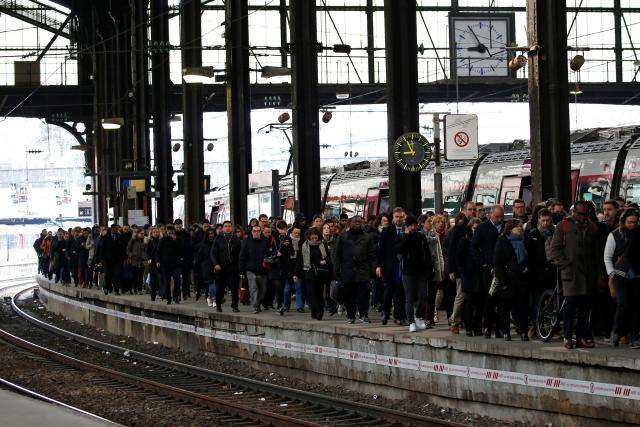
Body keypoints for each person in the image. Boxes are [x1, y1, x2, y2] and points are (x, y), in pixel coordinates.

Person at [547, 201, 599, 349]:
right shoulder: (563, 225)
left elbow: (596, 251)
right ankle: (567, 336)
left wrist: (597, 272)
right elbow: (554, 249)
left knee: (585, 307)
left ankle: (581, 336)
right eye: (580, 213)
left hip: (587, 273)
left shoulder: (592, 227)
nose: (583, 217)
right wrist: (564, 264)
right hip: (570, 273)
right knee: (570, 305)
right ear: (573, 212)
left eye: (585, 213)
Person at [604, 208, 640, 347]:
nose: (632, 225)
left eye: (635, 222)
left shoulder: (638, 234)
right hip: (620, 274)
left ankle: (633, 337)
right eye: (630, 222)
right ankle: (616, 332)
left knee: (636, 306)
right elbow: (607, 257)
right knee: (623, 305)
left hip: (636, 274)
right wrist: (611, 274)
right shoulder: (615, 235)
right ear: (624, 221)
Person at [395, 215, 434, 332]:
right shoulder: (402, 237)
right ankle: (411, 321)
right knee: (409, 297)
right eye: (410, 226)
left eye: (414, 225)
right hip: (407, 271)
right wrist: (407, 236)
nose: (413, 227)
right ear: (406, 226)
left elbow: (427, 253)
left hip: (421, 271)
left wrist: (429, 268)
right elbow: (398, 250)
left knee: (423, 296)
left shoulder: (421, 236)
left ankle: (418, 316)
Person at [335, 216, 376, 324]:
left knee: (364, 294)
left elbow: (371, 255)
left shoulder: (367, 237)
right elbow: (337, 255)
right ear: (349, 223)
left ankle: (363, 314)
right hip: (347, 270)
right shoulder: (343, 237)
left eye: (359, 222)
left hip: (363, 270)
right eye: (355, 222)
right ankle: (351, 315)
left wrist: (372, 270)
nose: (357, 224)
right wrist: (336, 270)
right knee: (350, 295)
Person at [471, 205, 504, 338]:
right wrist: (483, 263)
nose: (500, 219)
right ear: (491, 215)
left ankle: (500, 328)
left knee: (502, 299)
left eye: (501, 216)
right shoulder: (482, 228)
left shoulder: (504, 227)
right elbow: (473, 247)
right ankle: (488, 327)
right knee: (490, 299)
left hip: (502, 269)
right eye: (497, 217)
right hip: (488, 270)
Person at [525, 208, 556, 337]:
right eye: (543, 220)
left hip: (551, 271)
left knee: (551, 300)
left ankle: (551, 326)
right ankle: (534, 324)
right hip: (537, 273)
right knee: (536, 301)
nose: (545, 223)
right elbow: (528, 252)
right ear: (539, 220)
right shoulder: (533, 234)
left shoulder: (555, 233)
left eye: (547, 220)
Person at [447, 201, 477, 333]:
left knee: (468, 296)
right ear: (464, 211)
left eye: (474, 209)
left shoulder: (477, 225)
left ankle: (460, 320)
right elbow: (452, 249)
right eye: (470, 210)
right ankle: (455, 320)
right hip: (461, 268)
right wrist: (452, 269)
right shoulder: (459, 228)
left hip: (472, 267)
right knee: (461, 295)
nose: (472, 212)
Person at [376, 207, 407, 326]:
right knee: (389, 291)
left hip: (402, 266)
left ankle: (399, 316)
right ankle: (385, 312)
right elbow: (381, 249)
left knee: (400, 292)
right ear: (393, 218)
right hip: (389, 266)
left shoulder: (407, 230)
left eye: (401, 217)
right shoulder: (387, 231)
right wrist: (379, 265)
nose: (399, 219)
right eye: (396, 217)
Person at [296, 228, 332, 320]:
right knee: (311, 293)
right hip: (308, 272)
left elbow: (328, 258)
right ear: (309, 236)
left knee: (319, 293)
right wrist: (296, 274)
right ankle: (314, 311)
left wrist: (324, 261)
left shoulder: (323, 244)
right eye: (313, 235)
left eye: (316, 235)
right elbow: (300, 260)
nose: (314, 237)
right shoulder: (304, 245)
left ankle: (319, 311)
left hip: (320, 272)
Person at [456, 217, 483, 336]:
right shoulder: (464, 240)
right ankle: (468, 326)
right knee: (469, 302)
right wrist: (463, 271)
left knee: (479, 302)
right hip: (468, 275)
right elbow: (459, 257)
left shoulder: (481, 241)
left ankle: (477, 327)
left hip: (479, 274)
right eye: (474, 228)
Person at [211, 221, 242, 312]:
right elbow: (213, 253)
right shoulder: (218, 239)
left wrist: (239, 267)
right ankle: (218, 305)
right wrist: (216, 264)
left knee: (234, 287)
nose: (227, 228)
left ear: (232, 228)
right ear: (223, 228)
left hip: (233, 267)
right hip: (221, 267)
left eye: (229, 226)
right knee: (220, 287)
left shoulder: (236, 239)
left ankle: (235, 306)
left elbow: (240, 254)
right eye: (226, 226)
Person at [239, 224, 269, 314]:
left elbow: (268, 253)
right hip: (250, 269)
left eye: (258, 231)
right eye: (254, 231)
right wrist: (241, 270)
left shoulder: (265, 241)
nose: (256, 233)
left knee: (263, 290)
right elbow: (242, 256)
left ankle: (258, 303)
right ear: (252, 232)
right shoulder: (246, 241)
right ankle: (255, 306)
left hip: (263, 269)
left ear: (260, 232)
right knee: (253, 288)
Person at [422, 214, 444, 327]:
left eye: (431, 222)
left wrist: (441, 268)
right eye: (428, 222)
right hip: (423, 269)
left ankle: (430, 317)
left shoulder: (435, 235)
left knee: (432, 294)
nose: (430, 224)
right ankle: (424, 317)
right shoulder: (419, 235)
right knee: (425, 295)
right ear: (422, 223)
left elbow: (439, 253)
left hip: (433, 268)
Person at [279, 226, 304, 315]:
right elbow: (281, 254)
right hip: (288, 269)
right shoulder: (286, 241)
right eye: (295, 233)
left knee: (298, 288)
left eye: (298, 233)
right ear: (291, 232)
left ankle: (300, 306)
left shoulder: (301, 242)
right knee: (287, 289)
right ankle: (286, 306)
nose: (297, 234)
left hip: (298, 268)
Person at [157, 225, 183, 304]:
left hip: (176, 264)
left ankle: (176, 296)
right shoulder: (163, 240)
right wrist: (158, 261)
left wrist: (175, 241)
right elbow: (158, 251)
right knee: (167, 281)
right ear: (166, 232)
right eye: (169, 232)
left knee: (177, 279)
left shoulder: (178, 239)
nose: (170, 233)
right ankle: (168, 297)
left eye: (172, 232)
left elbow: (181, 250)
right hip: (165, 264)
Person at [197, 228, 217, 308]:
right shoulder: (203, 245)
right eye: (210, 234)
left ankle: (210, 297)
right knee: (211, 283)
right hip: (206, 266)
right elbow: (199, 257)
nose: (211, 235)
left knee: (214, 283)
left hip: (215, 265)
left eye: (212, 233)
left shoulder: (216, 243)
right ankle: (213, 298)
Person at [126, 227, 147, 294]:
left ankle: (139, 289)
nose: (142, 235)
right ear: (137, 233)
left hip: (142, 261)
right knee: (134, 275)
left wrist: (145, 256)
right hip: (134, 260)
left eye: (143, 233)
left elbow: (146, 250)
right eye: (141, 233)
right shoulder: (133, 240)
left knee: (140, 276)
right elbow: (128, 249)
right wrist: (131, 255)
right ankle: (134, 289)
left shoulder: (145, 240)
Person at [146, 227, 161, 301]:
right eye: (154, 232)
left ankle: (161, 293)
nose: (155, 233)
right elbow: (148, 252)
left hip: (159, 262)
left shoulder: (160, 241)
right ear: (151, 233)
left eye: (157, 232)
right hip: (152, 263)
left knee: (159, 279)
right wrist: (149, 259)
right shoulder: (149, 242)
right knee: (152, 280)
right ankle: (153, 295)